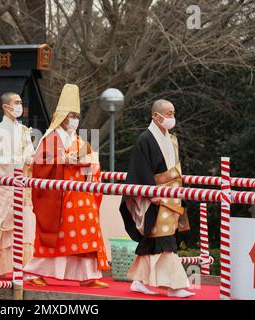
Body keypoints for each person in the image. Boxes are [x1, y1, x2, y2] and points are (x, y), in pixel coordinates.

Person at [23, 84, 109, 288]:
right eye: (71, 115)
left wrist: (90, 162)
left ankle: (88, 275)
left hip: (82, 196)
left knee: (87, 234)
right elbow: (40, 164)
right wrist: (64, 160)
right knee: (56, 239)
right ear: (59, 116)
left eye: (77, 116)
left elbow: (93, 165)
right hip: (60, 199)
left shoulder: (79, 140)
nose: (74, 120)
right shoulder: (50, 138)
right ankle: (33, 272)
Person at [119, 99, 195, 298]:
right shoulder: (145, 138)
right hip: (155, 195)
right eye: (168, 114)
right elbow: (140, 168)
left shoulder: (170, 138)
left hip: (171, 195)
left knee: (154, 241)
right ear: (155, 115)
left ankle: (138, 280)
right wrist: (150, 192)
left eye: (173, 113)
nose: (172, 117)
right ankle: (174, 286)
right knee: (164, 240)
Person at [0, 92, 36, 277]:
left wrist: (33, 158)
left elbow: (30, 151)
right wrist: (24, 160)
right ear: (6, 107)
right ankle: (8, 268)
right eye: (16, 102)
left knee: (27, 226)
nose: (20, 105)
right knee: (10, 229)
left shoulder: (21, 130)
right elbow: (0, 160)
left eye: (21, 102)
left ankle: (25, 268)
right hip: (9, 187)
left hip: (24, 185)